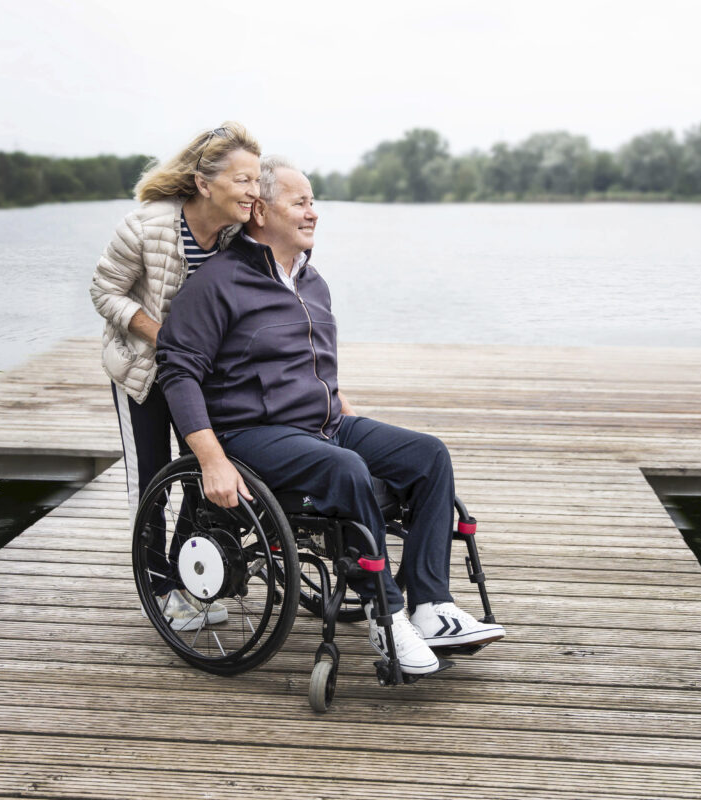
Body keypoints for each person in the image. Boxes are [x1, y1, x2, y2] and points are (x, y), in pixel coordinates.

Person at [154, 156, 505, 675]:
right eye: (300, 202)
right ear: (260, 212)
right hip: (252, 434)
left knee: (427, 455)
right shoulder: (218, 284)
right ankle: (386, 617)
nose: (312, 213)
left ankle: (430, 605)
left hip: (324, 423)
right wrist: (209, 457)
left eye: (313, 202)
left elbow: (307, 363)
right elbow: (177, 371)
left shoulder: (312, 281)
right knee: (347, 470)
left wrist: (338, 403)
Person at [90, 122, 261, 630]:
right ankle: (159, 585)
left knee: (202, 478)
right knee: (152, 484)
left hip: (203, 380)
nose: (255, 191)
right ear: (206, 184)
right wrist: (163, 337)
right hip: (142, 372)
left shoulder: (238, 234)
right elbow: (105, 293)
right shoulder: (144, 226)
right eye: (244, 180)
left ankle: (191, 581)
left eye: (258, 180)